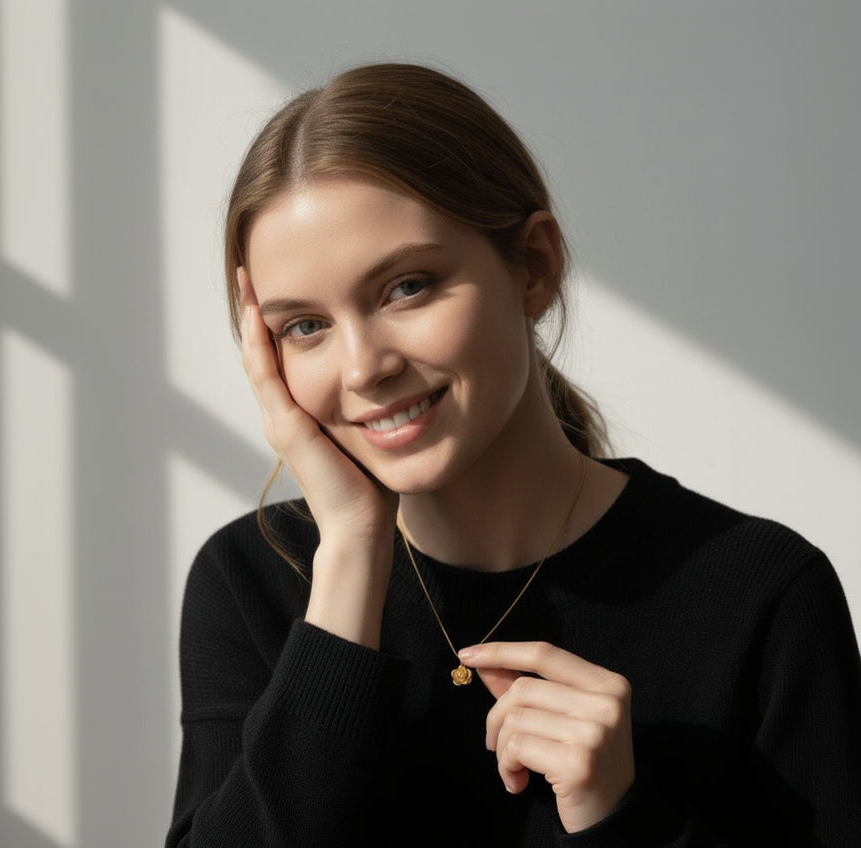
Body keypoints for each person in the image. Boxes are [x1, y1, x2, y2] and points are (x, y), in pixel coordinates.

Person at [165, 62, 861, 847]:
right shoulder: (254, 582)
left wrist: (618, 820)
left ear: (533, 265)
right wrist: (352, 554)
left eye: (407, 287)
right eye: (305, 326)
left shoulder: (761, 594)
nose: (363, 369)